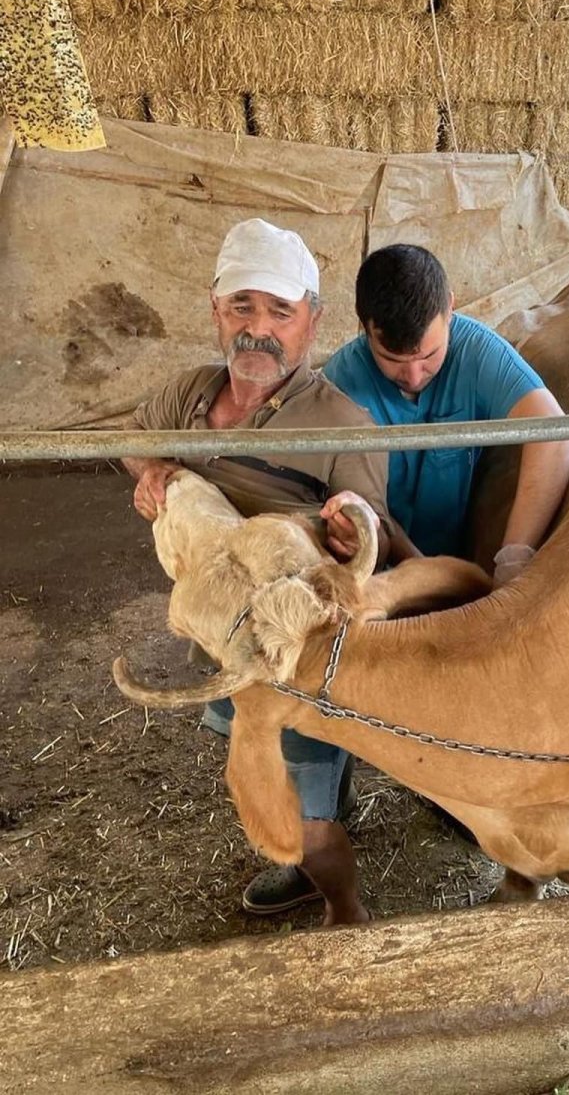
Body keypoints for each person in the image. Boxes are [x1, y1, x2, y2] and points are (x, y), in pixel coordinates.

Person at [123, 218, 385, 926]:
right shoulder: (187, 397)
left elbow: (372, 533)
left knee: (305, 814)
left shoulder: (342, 424)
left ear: (313, 322)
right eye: (242, 307)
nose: (258, 330)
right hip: (227, 636)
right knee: (261, 757)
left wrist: (348, 524)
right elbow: (134, 439)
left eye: (279, 311)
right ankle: (321, 826)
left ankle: (343, 904)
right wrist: (153, 471)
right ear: (215, 310)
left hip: (295, 660)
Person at [323, 244, 569, 580]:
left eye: (429, 356)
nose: (414, 376)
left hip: (463, 552)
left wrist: (514, 557)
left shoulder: (476, 351)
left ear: (450, 309)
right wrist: (430, 575)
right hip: (379, 571)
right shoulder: (341, 381)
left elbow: (554, 435)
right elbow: (359, 504)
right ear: (365, 329)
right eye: (392, 360)